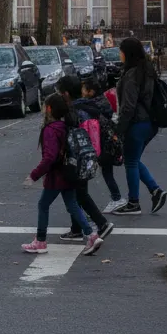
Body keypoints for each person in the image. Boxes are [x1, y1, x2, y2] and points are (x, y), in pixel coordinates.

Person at [23, 93, 103, 256]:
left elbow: (50, 157)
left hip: (56, 176)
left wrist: (34, 175)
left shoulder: (50, 130)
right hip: (70, 172)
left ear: (50, 109)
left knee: (43, 205)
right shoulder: (67, 126)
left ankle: (40, 240)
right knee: (72, 204)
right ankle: (91, 235)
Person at [55, 75, 116, 241]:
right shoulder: (89, 106)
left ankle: (102, 223)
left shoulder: (72, 112)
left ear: (66, 93)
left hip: (76, 158)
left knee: (79, 194)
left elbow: (69, 137)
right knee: (79, 191)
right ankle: (76, 228)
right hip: (91, 154)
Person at [114, 37, 167, 216]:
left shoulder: (131, 75)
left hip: (136, 123)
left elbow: (128, 106)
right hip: (150, 123)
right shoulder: (147, 70)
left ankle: (133, 202)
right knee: (134, 159)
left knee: (130, 161)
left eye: (121, 51)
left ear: (127, 53)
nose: (119, 54)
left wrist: (119, 129)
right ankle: (155, 191)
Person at [81, 76, 125, 212]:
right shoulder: (102, 101)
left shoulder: (93, 105)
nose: (82, 91)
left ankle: (117, 198)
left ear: (91, 91)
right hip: (108, 142)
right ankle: (116, 198)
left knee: (106, 172)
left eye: (83, 89)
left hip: (104, 144)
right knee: (107, 172)